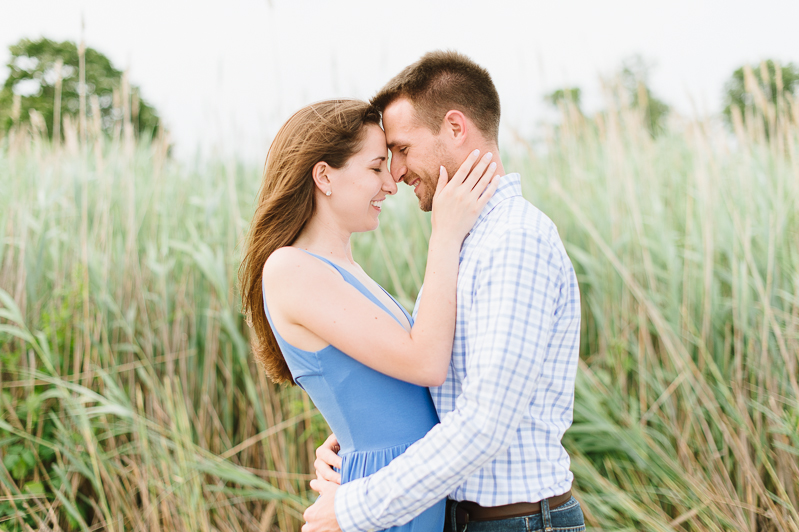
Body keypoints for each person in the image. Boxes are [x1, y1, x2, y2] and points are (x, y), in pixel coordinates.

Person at [304, 51, 585, 532]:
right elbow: (446, 389)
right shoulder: (467, 239)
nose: (395, 173)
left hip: (515, 523)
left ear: (455, 129)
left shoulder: (515, 241)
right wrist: (357, 440)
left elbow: (485, 423)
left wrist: (355, 507)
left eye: (403, 149)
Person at [238, 98, 500, 532]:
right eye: (376, 168)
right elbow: (426, 362)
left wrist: (347, 440)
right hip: (382, 498)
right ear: (324, 176)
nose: (391, 184)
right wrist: (446, 234)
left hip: (400, 490)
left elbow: (383, 390)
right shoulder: (291, 268)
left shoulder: (348, 270)